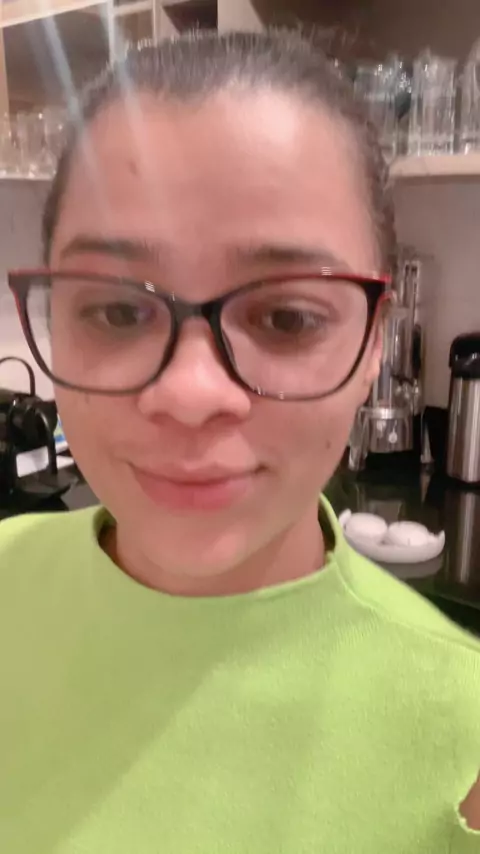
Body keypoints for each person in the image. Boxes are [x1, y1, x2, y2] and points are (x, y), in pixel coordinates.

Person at [1, 30, 480, 854]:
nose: (190, 395)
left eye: (287, 317)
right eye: (116, 310)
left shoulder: (461, 733)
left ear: (375, 342)